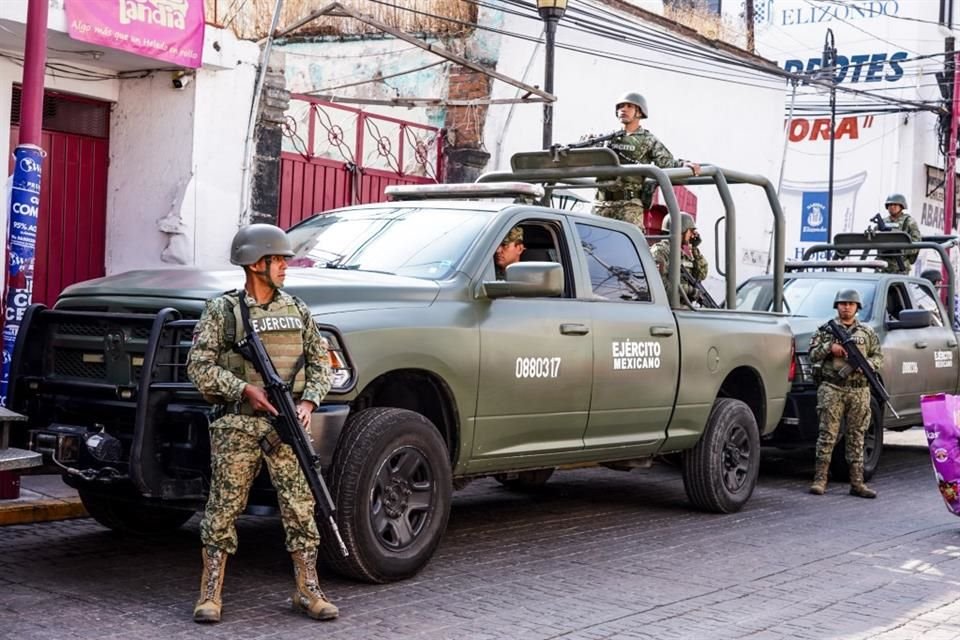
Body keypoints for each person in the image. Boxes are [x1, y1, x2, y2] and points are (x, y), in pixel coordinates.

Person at [186, 223, 338, 624]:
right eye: (278, 260)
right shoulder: (223, 311)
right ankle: (210, 593)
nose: (286, 267)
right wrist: (242, 390)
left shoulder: (297, 309)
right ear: (256, 264)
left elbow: (321, 361)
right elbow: (198, 367)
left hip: (288, 426)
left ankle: (308, 589)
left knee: (302, 508)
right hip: (238, 425)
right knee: (223, 510)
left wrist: (308, 401)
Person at [808, 289, 883, 499]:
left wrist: (867, 364)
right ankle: (820, 479)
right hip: (832, 388)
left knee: (857, 436)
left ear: (857, 307)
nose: (846, 307)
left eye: (851, 303)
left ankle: (857, 483)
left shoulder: (867, 333)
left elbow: (878, 357)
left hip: (859, 390)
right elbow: (812, 354)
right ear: (837, 306)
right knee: (827, 435)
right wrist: (829, 347)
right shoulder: (826, 330)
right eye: (842, 303)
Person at [592, 92, 701, 226]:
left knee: (630, 245)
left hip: (629, 205)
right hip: (601, 203)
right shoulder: (606, 138)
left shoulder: (648, 140)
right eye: (620, 107)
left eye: (629, 106)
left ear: (639, 112)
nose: (623, 110)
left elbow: (666, 163)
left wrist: (684, 164)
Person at [650, 213, 708, 305]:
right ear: (681, 230)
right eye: (691, 231)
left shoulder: (682, 253)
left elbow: (701, 275)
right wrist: (690, 291)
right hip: (668, 309)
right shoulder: (660, 251)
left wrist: (694, 249)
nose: (693, 235)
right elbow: (660, 285)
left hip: (683, 308)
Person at [880, 193, 921, 274]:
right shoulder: (882, 223)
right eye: (890, 205)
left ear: (902, 206)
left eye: (895, 205)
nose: (892, 207)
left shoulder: (909, 222)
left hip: (899, 266)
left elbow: (916, 243)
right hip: (883, 264)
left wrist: (900, 249)